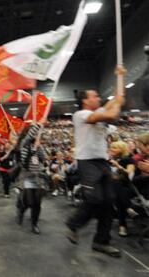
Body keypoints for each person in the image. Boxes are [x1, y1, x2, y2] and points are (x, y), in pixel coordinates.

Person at [65, 65, 126, 258]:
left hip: (102, 161)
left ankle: (101, 241)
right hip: (87, 161)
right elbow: (112, 113)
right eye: (95, 96)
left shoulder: (97, 109)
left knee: (109, 201)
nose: (99, 98)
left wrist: (120, 77)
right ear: (85, 100)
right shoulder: (80, 115)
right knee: (95, 198)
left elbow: (118, 99)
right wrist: (115, 105)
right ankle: (73, 224)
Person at [15, 121, 47, 235]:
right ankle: (21, 211)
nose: (36, 135)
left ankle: (34, 224)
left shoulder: (38, 146)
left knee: (37, 203)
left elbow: (44, 158)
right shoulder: (24, 143)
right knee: (29, 201)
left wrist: (38, 148)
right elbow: (24, 161)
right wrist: (39, 124)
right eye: (34, 133)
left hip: (37, 176)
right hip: (26, 175)